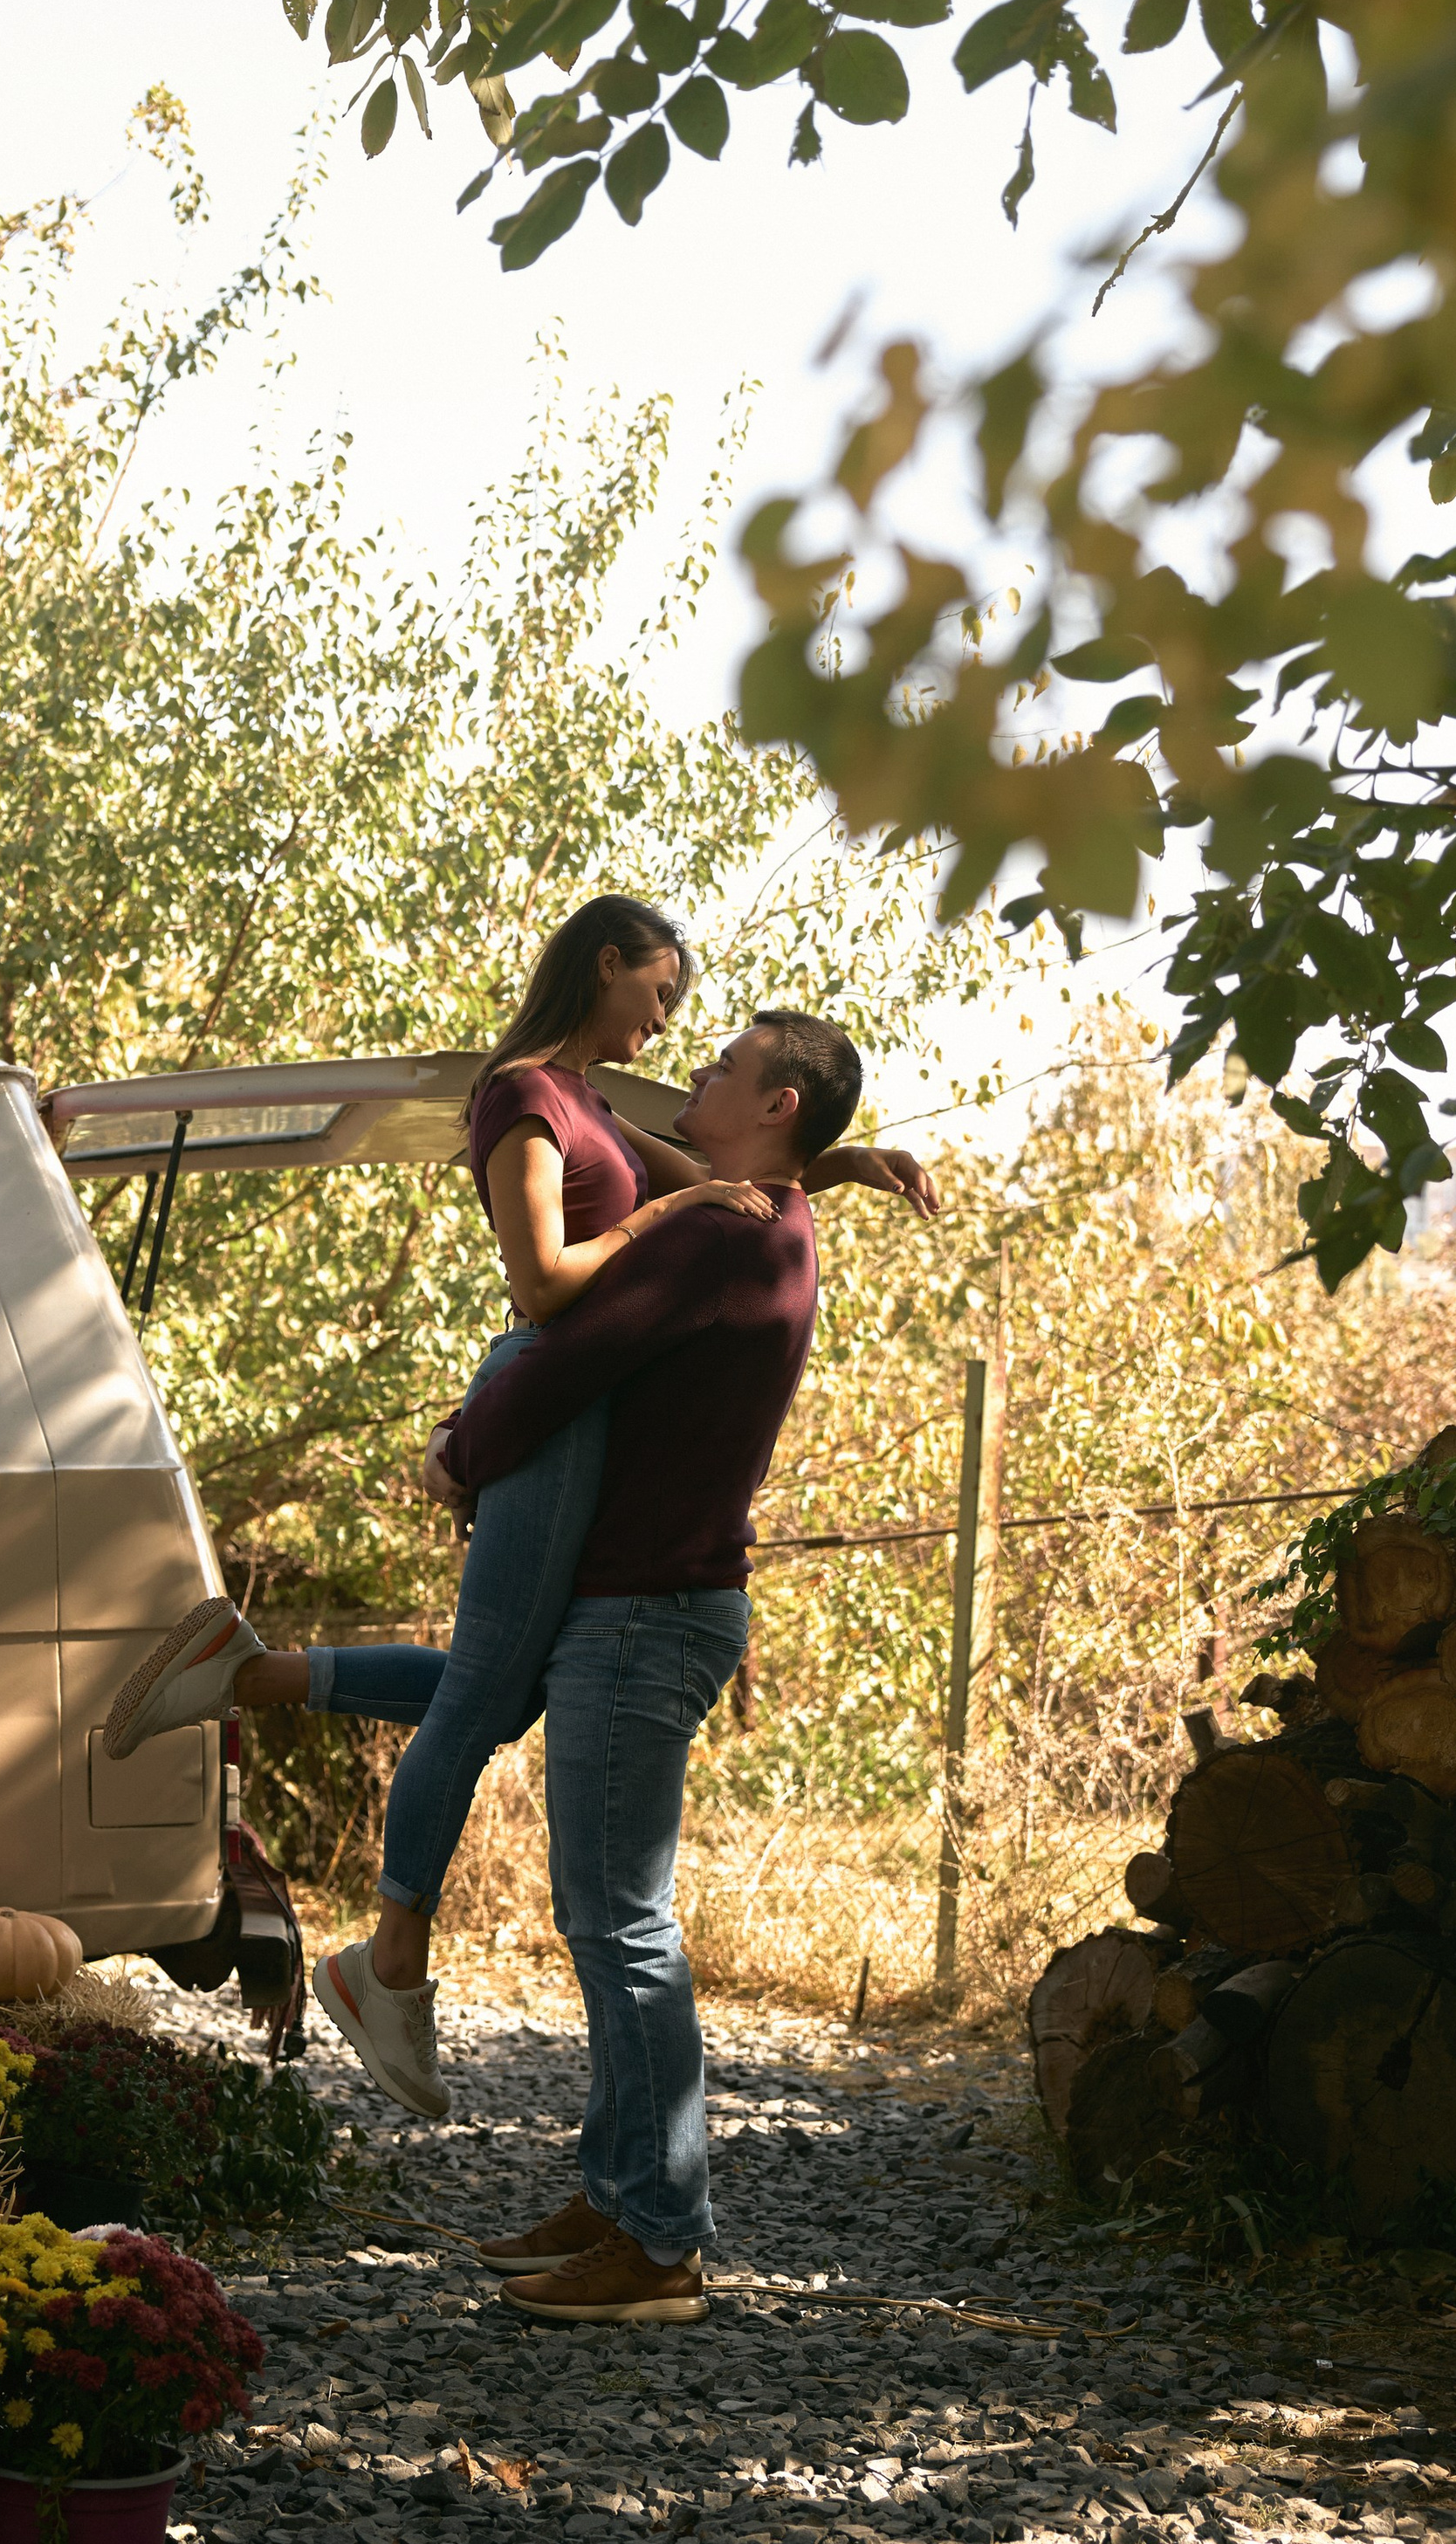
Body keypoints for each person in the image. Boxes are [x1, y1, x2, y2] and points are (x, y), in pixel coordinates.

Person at [105, 897, 934, 2119]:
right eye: (660, 996)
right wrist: (471, 1443)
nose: (670, 1026)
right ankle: (390, 1959)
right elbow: (548, 1284)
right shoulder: (525, 1096)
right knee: (495, 1684)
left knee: (513, 1687)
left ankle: (256, 1675)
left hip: (575, 1411)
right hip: (547, 1404)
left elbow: (729, 1184)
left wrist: (837, 1165)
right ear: (605, 966)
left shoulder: (596, 1099)